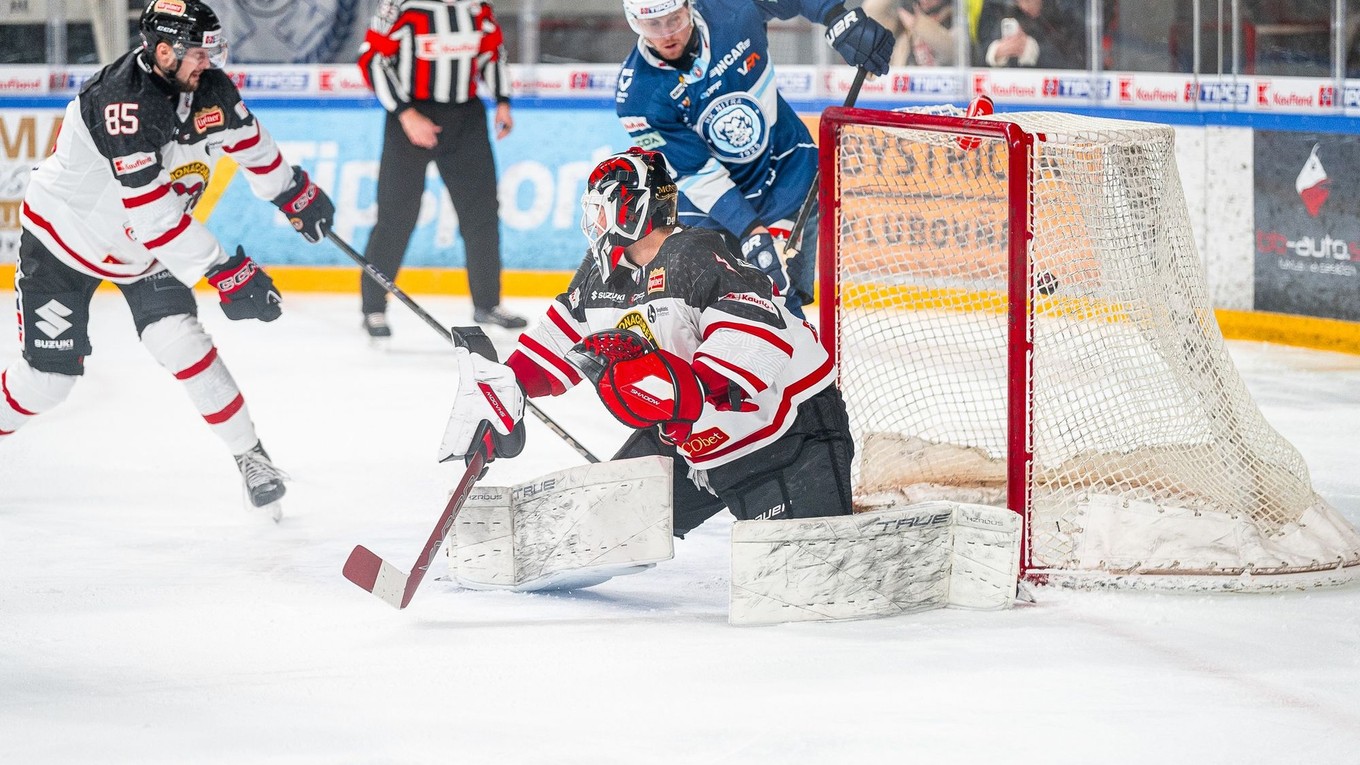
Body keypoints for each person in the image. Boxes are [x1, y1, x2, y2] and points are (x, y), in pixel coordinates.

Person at [0, 0, 334, 516]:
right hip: (65, 243)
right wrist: (224, 270)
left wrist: (292, 192)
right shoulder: (123, 104)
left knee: (183, 344)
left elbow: (250, 145)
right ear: (163, 51)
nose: (209, 61)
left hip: (144, 252)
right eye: (199, 52)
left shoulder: (210, 89)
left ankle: (251, 457)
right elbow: (154, 214)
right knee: (46, 382)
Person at [438, 148, 855, 538]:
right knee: (596, 528)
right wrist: (507, 390)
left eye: (599, 209)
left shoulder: (692, 253)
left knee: (804, 562)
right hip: (695, 442)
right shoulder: (602, 274)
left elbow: (758, 328)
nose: (594, 222)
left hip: (787, 434)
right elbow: (557, 340)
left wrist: (685, 386)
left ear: (630, 209)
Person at [615, 0, 894, 320]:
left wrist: (836, 17)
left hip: (785, 173)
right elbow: (697, 173)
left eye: (674, 19)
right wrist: (751, 231)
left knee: (781, 306)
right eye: (653, 25)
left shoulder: (732, 8)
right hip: (713, 208)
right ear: (634, 22)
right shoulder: (637, 96)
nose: (667, 35)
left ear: (689, 7)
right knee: (710, 313)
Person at [356, 0, 526, 338]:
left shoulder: (477, 8)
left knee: (481, 213)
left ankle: (488, 303)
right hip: (410, 117)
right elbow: (371, 58)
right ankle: (373, 307)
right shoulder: (403, 6)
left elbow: (491, 54)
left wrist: (502, 101)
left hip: (466, 118)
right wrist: (405, 113)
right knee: (396, 214)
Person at [976, 0, 1085, 68]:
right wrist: (995, 53)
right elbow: (976, 57)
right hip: (1011, 91)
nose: (1024, 5)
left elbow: (1079, 60)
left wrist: (1036, 52)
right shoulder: (1003, 10)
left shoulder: (1064, 12)